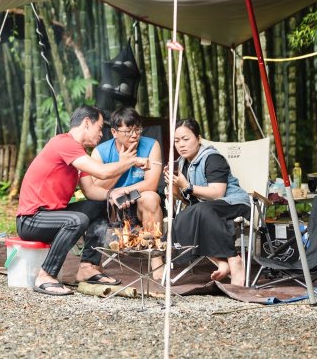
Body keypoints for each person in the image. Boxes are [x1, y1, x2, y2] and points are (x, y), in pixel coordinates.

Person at [16, 105, 150, 296]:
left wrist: (113, 195)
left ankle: (88, 266)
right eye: (100, 127)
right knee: (76, 220)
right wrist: (130, 161)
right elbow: (103, 172)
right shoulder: (64, 143)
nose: (101, 135)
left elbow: (91, 191)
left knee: (102, 205)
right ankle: (45, 276)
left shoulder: (78, 154)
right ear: (87, 123)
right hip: (31, 220)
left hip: (54, 216)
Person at [164, 118, 252, 287]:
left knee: (199, 210)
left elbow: (217, 193)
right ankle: (222, 262)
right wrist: (173, 186)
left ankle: (234, 260)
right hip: (206, 209)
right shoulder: (181, 164)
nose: (180, 144)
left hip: (233, 203)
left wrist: (187, 186)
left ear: (198, 139)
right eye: (176, 141)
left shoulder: (213, 159)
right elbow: (185, 198)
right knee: (183, 217)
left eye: (185, 139)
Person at [90, 107, 164, 278]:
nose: (134, 135)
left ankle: (156, 258)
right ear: (114, 132)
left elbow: (152, 184)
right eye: (128, 131)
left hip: (139, 204)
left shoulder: (151, 145)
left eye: (137, 129)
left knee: (151, 198)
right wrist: (121, 165)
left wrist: (124, 191)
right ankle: (92, 262)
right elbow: (95, 187)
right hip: (111, 207)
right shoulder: (100, 152)